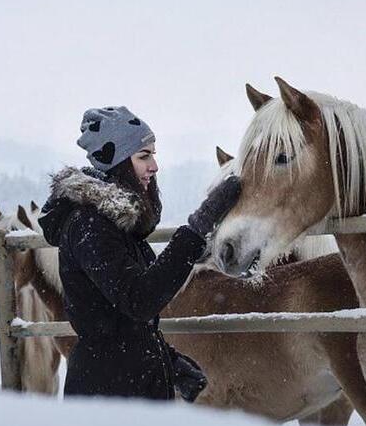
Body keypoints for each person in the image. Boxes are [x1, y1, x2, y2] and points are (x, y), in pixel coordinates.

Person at [38, 106, 241, 400]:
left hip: (126, 384)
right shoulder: (89, 225)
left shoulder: (116, 225)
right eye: (144, 156)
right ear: (118, 162)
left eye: (153, 155)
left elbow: (124, 325)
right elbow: (139, 300)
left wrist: (169, 362)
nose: (154, 166)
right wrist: (196, 229)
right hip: (108, 397)